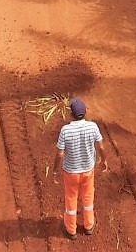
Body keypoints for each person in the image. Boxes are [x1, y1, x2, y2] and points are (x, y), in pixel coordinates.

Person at [55, 97, 108, 239]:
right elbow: (101, 147)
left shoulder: (65, 130)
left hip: (71, 173)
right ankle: (88, 225)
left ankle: (71, 229)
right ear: (84, 112)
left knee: (71, 198)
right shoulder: (92, 126)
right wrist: (104, 161)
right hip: (88, 171)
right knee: (88, 196)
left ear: (71, 114)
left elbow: (60, 154)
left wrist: (54, 170)